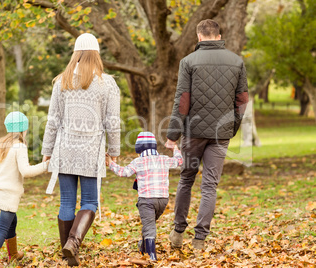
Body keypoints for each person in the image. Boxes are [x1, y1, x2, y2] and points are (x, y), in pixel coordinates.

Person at [166, 19, 249, 250]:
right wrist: (232, 127)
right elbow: (242, 99)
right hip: (220, 134)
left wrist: (173, 134)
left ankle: (177, 232)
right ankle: (200, 239)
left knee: (186, 179)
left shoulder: (188, 61)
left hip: (193, 133)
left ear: (199, 36)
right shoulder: (236, 61)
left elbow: (182, 100)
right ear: (218, 35)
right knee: (210, 185)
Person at [41, 33, 121, 266]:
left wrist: (47, 149)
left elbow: (52, 120)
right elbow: (112, 121)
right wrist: (114, 150)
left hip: (65, 149)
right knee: (89, 202)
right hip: (90, 151)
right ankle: (72, 244)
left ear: (75, 53)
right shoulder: (107, 84)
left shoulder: (62, 82)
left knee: (67, 202)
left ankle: (68, 252)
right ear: (96, 54)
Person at [0, 112, 49, 268]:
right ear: (23, 129)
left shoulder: (0, 145)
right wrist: (46, 166)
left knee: (12, 221)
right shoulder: (19, 146)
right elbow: (25, 171)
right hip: (8, 194)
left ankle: (13, 255)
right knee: (2, 229)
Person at [107, 132, 183, 261]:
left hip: (146, 200)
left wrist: (110, 163)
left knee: (149, 226)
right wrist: (175, 148)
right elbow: (179, 161)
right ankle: (143, 247)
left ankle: (152, 255)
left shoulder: (138, 161)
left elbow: (123, 172)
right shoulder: (164, 159)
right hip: (163, 200)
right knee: (150, 224)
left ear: (139, 149)